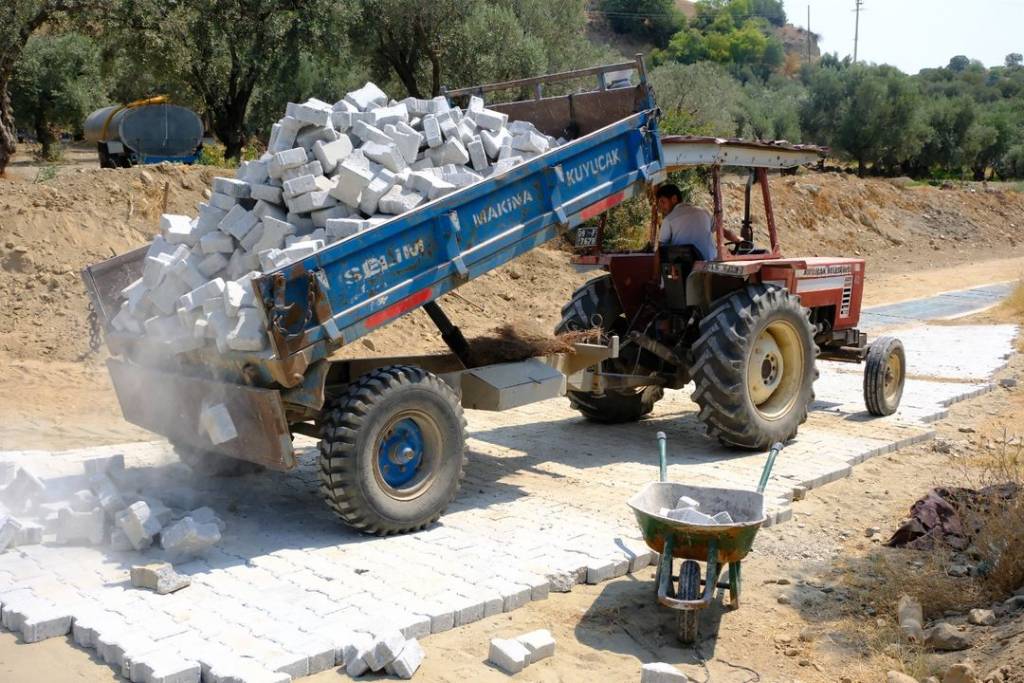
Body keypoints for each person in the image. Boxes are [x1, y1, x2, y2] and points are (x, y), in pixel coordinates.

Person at [655, 184, 741, 261]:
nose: (661, 207)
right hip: (710, 264)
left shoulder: (669, 220)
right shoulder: (703, 212)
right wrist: (737, 239)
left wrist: (655, 276)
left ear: (674, 199)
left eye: (663, 202)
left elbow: (659, 250)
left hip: (686, 268)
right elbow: (723, 231)